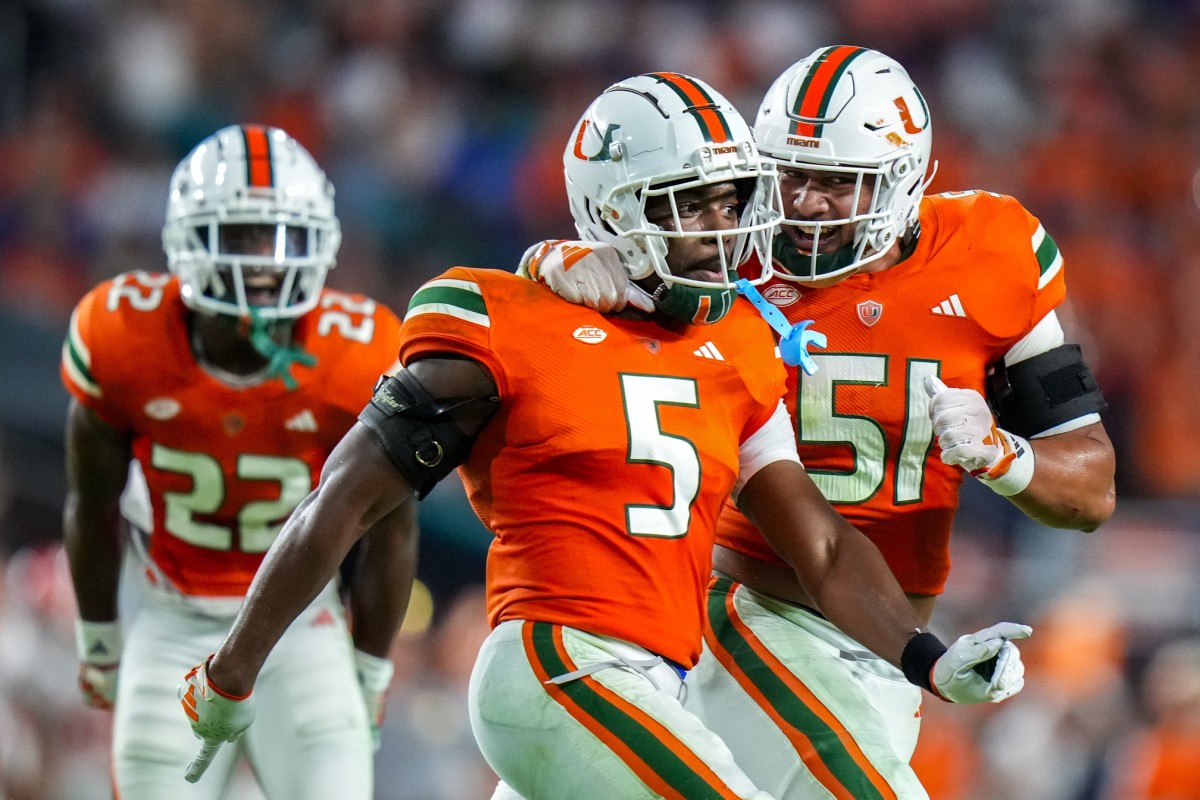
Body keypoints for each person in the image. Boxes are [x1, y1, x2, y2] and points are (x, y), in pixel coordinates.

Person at [176, 74, 1032, 800]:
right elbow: (340, 505)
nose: (721, 227)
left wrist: (926, 657)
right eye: (690, 204)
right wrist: (231, 671)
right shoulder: (504, 322)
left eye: (732, 199)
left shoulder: (733, 342)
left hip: (655, 687)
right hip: (554, 662)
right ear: (613, 210)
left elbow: (823, 549)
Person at [522, 46, 1116, 799]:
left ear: (904, 179)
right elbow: (611, 257)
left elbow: (1091, 490)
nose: (804, 204)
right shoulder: (727, 256)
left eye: (836, 183)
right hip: (742, 607)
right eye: (789, 175)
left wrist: (1004, 457)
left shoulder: (992, 252)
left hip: (885, 632)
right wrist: (554, 265)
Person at [61, 124, 412, 799]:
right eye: (244, 234)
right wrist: (99, 635)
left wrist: (370, 668)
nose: (265, 261)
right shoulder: (122, 337)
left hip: (303, 628)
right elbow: (91, 501)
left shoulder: (357, 352)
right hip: (173, 622)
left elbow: (393, 530)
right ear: (187, 239)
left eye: (282, 237)